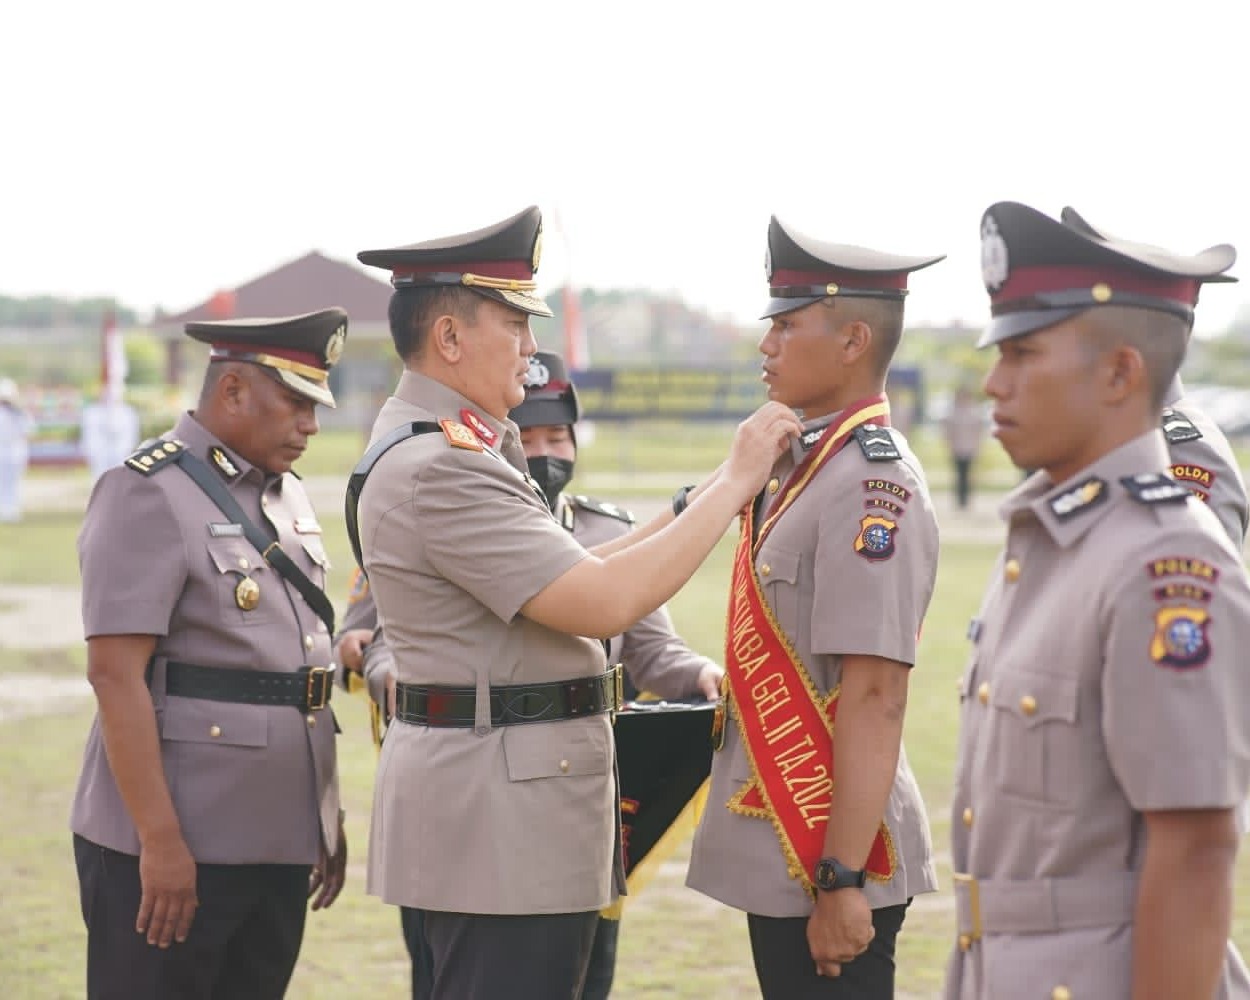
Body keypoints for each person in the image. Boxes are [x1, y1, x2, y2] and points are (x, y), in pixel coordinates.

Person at [350, 205, 799, 1000]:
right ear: (449, 338)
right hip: (499, 829)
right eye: (515, 323)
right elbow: (600, 600)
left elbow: (575, 567)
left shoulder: (451, 444)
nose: (530, 348)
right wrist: (736, 482)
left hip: (505, 813)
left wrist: (697, 500)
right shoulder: (443, 464)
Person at [337, 348, 723, 999]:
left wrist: (700, 673)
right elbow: (390, 633)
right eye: (532, 435)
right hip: (480, 797)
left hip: (572, 798)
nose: (546, 451)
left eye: (558, 436)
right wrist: (731, 484)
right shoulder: (449, 487)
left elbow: (649, 645)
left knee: (581, 973)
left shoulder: (600, 528)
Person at [945, 201, 1250, 1000]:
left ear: (1120, 372)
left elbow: (1196, 852)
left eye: (1023, 355)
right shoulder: (1056, 539)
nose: (993, 383)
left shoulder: (1164, 559)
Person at [686, 215, 944, 999]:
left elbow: (875, 691)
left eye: (786, 325)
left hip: (835, 850)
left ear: (853, 339)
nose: (766, 344)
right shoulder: (802, 463)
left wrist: (841, 877)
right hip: (790, 835)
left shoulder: (873, 485)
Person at [70, 308, 351, 1000]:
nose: (310, 425)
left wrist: (324, 812)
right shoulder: (147, 491)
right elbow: (115, 675)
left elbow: (296, 677)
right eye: (296, 402)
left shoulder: (285, 497)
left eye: (317, 406)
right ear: (231, 391)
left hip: (277, 836)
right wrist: (159, 843)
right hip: (178, 845)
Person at [81, 390, 142, 483]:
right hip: (100, 450)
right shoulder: (92, 412)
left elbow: (129, 433)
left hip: (119, 449)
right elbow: (90, 433)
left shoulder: (127, 412)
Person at [942, 383, 986, 510]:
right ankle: (959, 500)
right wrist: (948, 444)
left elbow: (978, 430)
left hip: (970, 448)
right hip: (957, 448)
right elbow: (947, 430)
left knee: (968, 475)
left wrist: (978, 446)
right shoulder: (952, 411)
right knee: (959, 474)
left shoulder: (974, 411)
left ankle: (966, 499)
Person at [0, 376, 33, 522]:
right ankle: (5, 509)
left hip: (15, 450)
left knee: (14, 481)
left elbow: (28, 431)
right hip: (4, 450)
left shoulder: (19, 413)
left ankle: (11, 509)